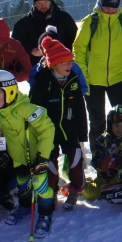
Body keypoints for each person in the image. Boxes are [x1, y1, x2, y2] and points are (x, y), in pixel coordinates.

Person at [0, 70, 56, 238]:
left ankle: (46, 214)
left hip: (37, 157)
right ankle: (25, 207)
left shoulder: (25, 109)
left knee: (40, 186)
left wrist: (43, 157)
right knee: (23, 184)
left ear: (10, 92)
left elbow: (48, 128)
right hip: (18, 158)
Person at [73, 0, 122, 153]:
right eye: (107, 8)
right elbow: (78, 50)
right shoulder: (90, 21)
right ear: (101, 4)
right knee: (97, 121)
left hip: (117, 78)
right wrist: (83, 77)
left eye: (113, 8)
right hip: (93, 80)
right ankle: (99, 154)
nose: (110, 11)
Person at [29, 37, 87, 211]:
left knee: (75, 160)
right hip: (48, 132)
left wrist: (82, 132)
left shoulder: (73, 81)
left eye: (70, 61)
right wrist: (36, 133)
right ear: (53, 64)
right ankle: (51, 192)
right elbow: (33, 110)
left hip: (69, 128)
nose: (69, 66)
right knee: (50, 164)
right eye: (64, 62)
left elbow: (80, 108)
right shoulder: (42, 83)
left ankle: (75, 189)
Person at [12, 0, 79, 67]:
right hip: (34, 68)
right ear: (34, 4)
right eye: (39, 3)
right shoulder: (24, 23)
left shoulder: (64, 18)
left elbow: (75, 39)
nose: (43, 6)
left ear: (50, 2)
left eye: (46, 2)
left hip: (62, 66)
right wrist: (30, 50)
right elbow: (14, 44)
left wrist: (63, 52)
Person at [82, 104, 122, 201]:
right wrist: (102, 163)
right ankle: (80, 186)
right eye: (116, 126)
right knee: (93, 194)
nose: (119, 129)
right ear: (110, 125)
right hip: (105, 177)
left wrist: (121, 162)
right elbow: (95, 159)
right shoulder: (103, 140)